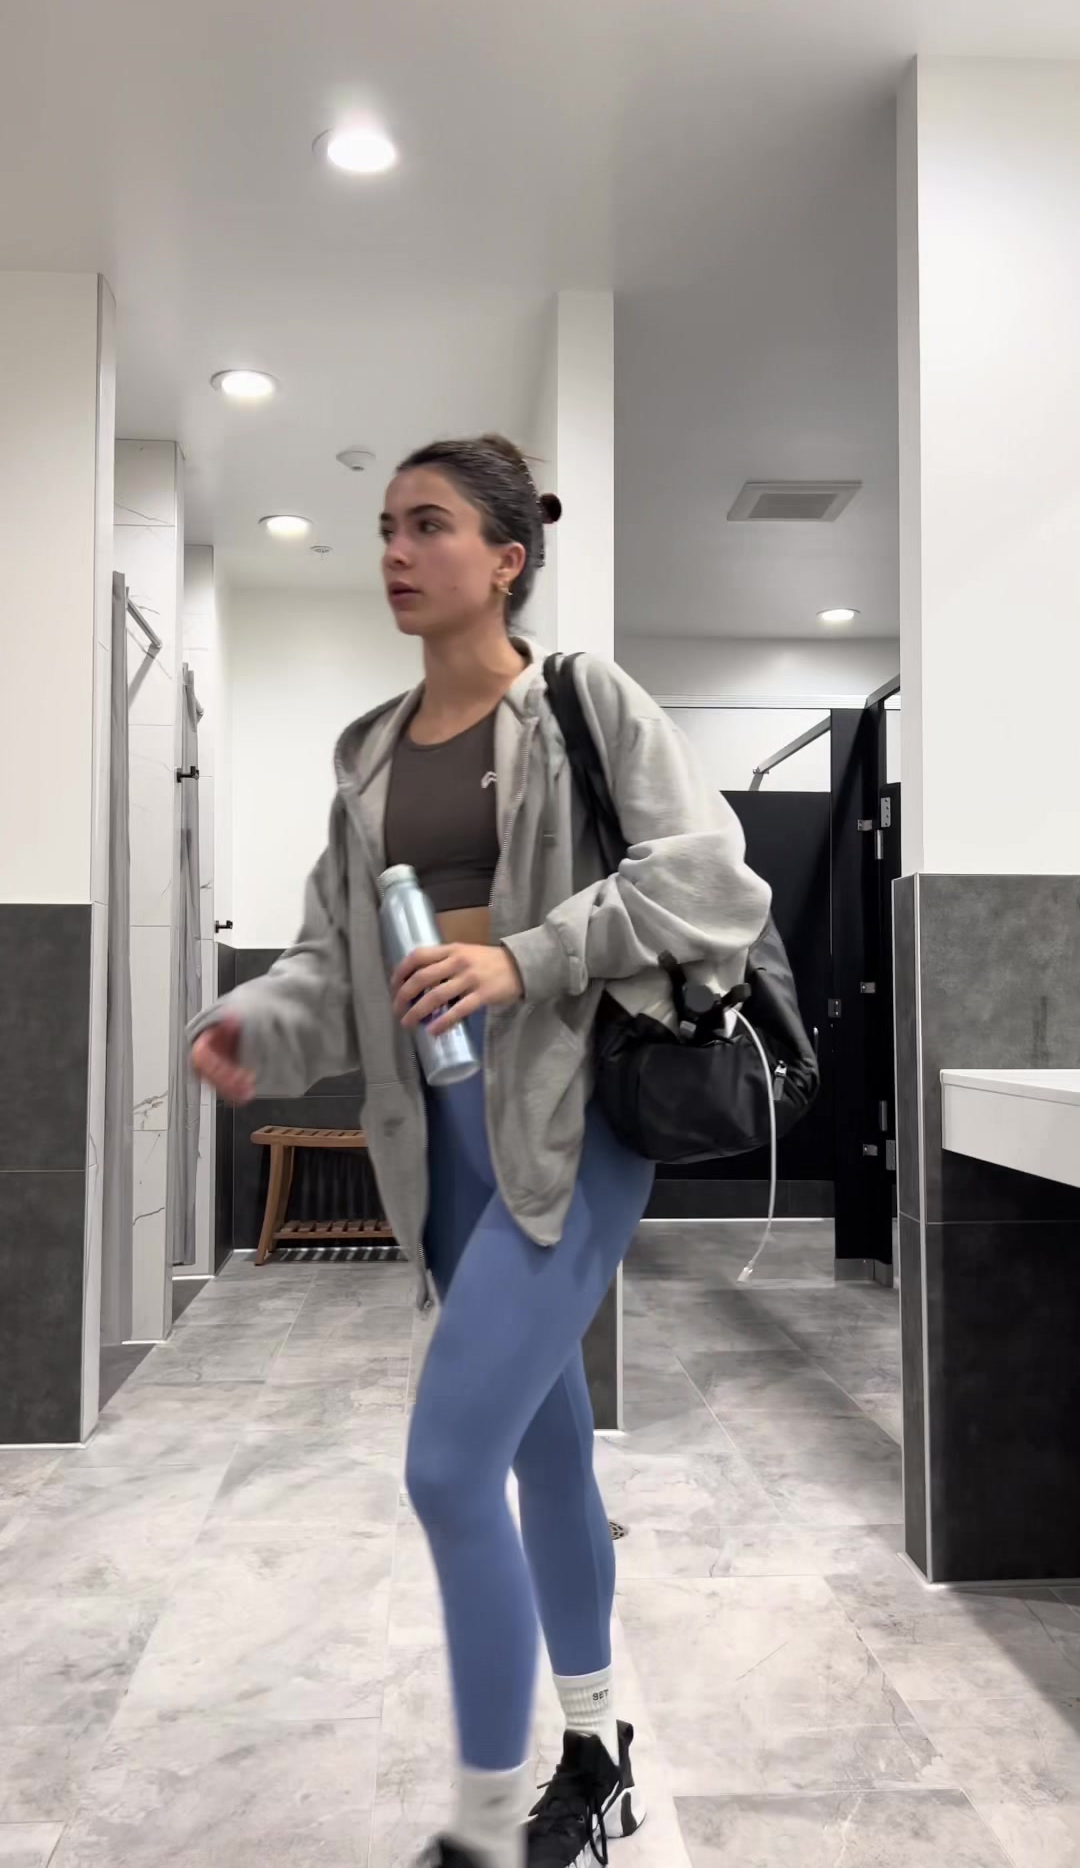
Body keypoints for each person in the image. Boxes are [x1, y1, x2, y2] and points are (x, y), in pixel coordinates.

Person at [191, 434, 770, 1868]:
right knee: (542, 1451)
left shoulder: (581, 700)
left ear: (506, 559)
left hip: (570, 1122)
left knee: (450, 1469)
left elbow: (712, 883)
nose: (395, 550)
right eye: (386, 526)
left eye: (429, 525)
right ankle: (597, 1754)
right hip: (437, 1146)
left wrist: (525, 956)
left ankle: (485, 1830)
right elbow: (335, 962)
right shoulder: (367, 752)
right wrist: (260, 1021)